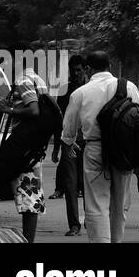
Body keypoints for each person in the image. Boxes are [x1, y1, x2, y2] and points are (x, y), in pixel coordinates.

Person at [60, 51, 139, 244]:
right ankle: (116, 240)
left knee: (97, 203)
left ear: (88, 69)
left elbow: (69, 129)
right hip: (123, 151)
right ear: (110, 66)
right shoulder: (129, 87)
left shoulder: (80, 93)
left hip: (94, 148)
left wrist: (69, 143)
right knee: (120, 200)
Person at [0, 69, 49, 243]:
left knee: (28, 199)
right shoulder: (38, 79)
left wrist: (8, 109)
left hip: (25, 147)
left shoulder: (24, 80)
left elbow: (34, 111)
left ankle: (28, 241)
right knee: (29, 197)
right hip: (33, 144)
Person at [50, 55, 87, 236]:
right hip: (68, 142)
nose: (75, 73)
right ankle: (74, 225)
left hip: (89, 143)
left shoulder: (92, 89)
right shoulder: (64, 90)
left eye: (79, 70)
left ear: (85, 69)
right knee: (70, 184)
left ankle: (91, 219)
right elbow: (59, 121)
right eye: (73, 70)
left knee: (88, 184)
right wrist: (56, 147)